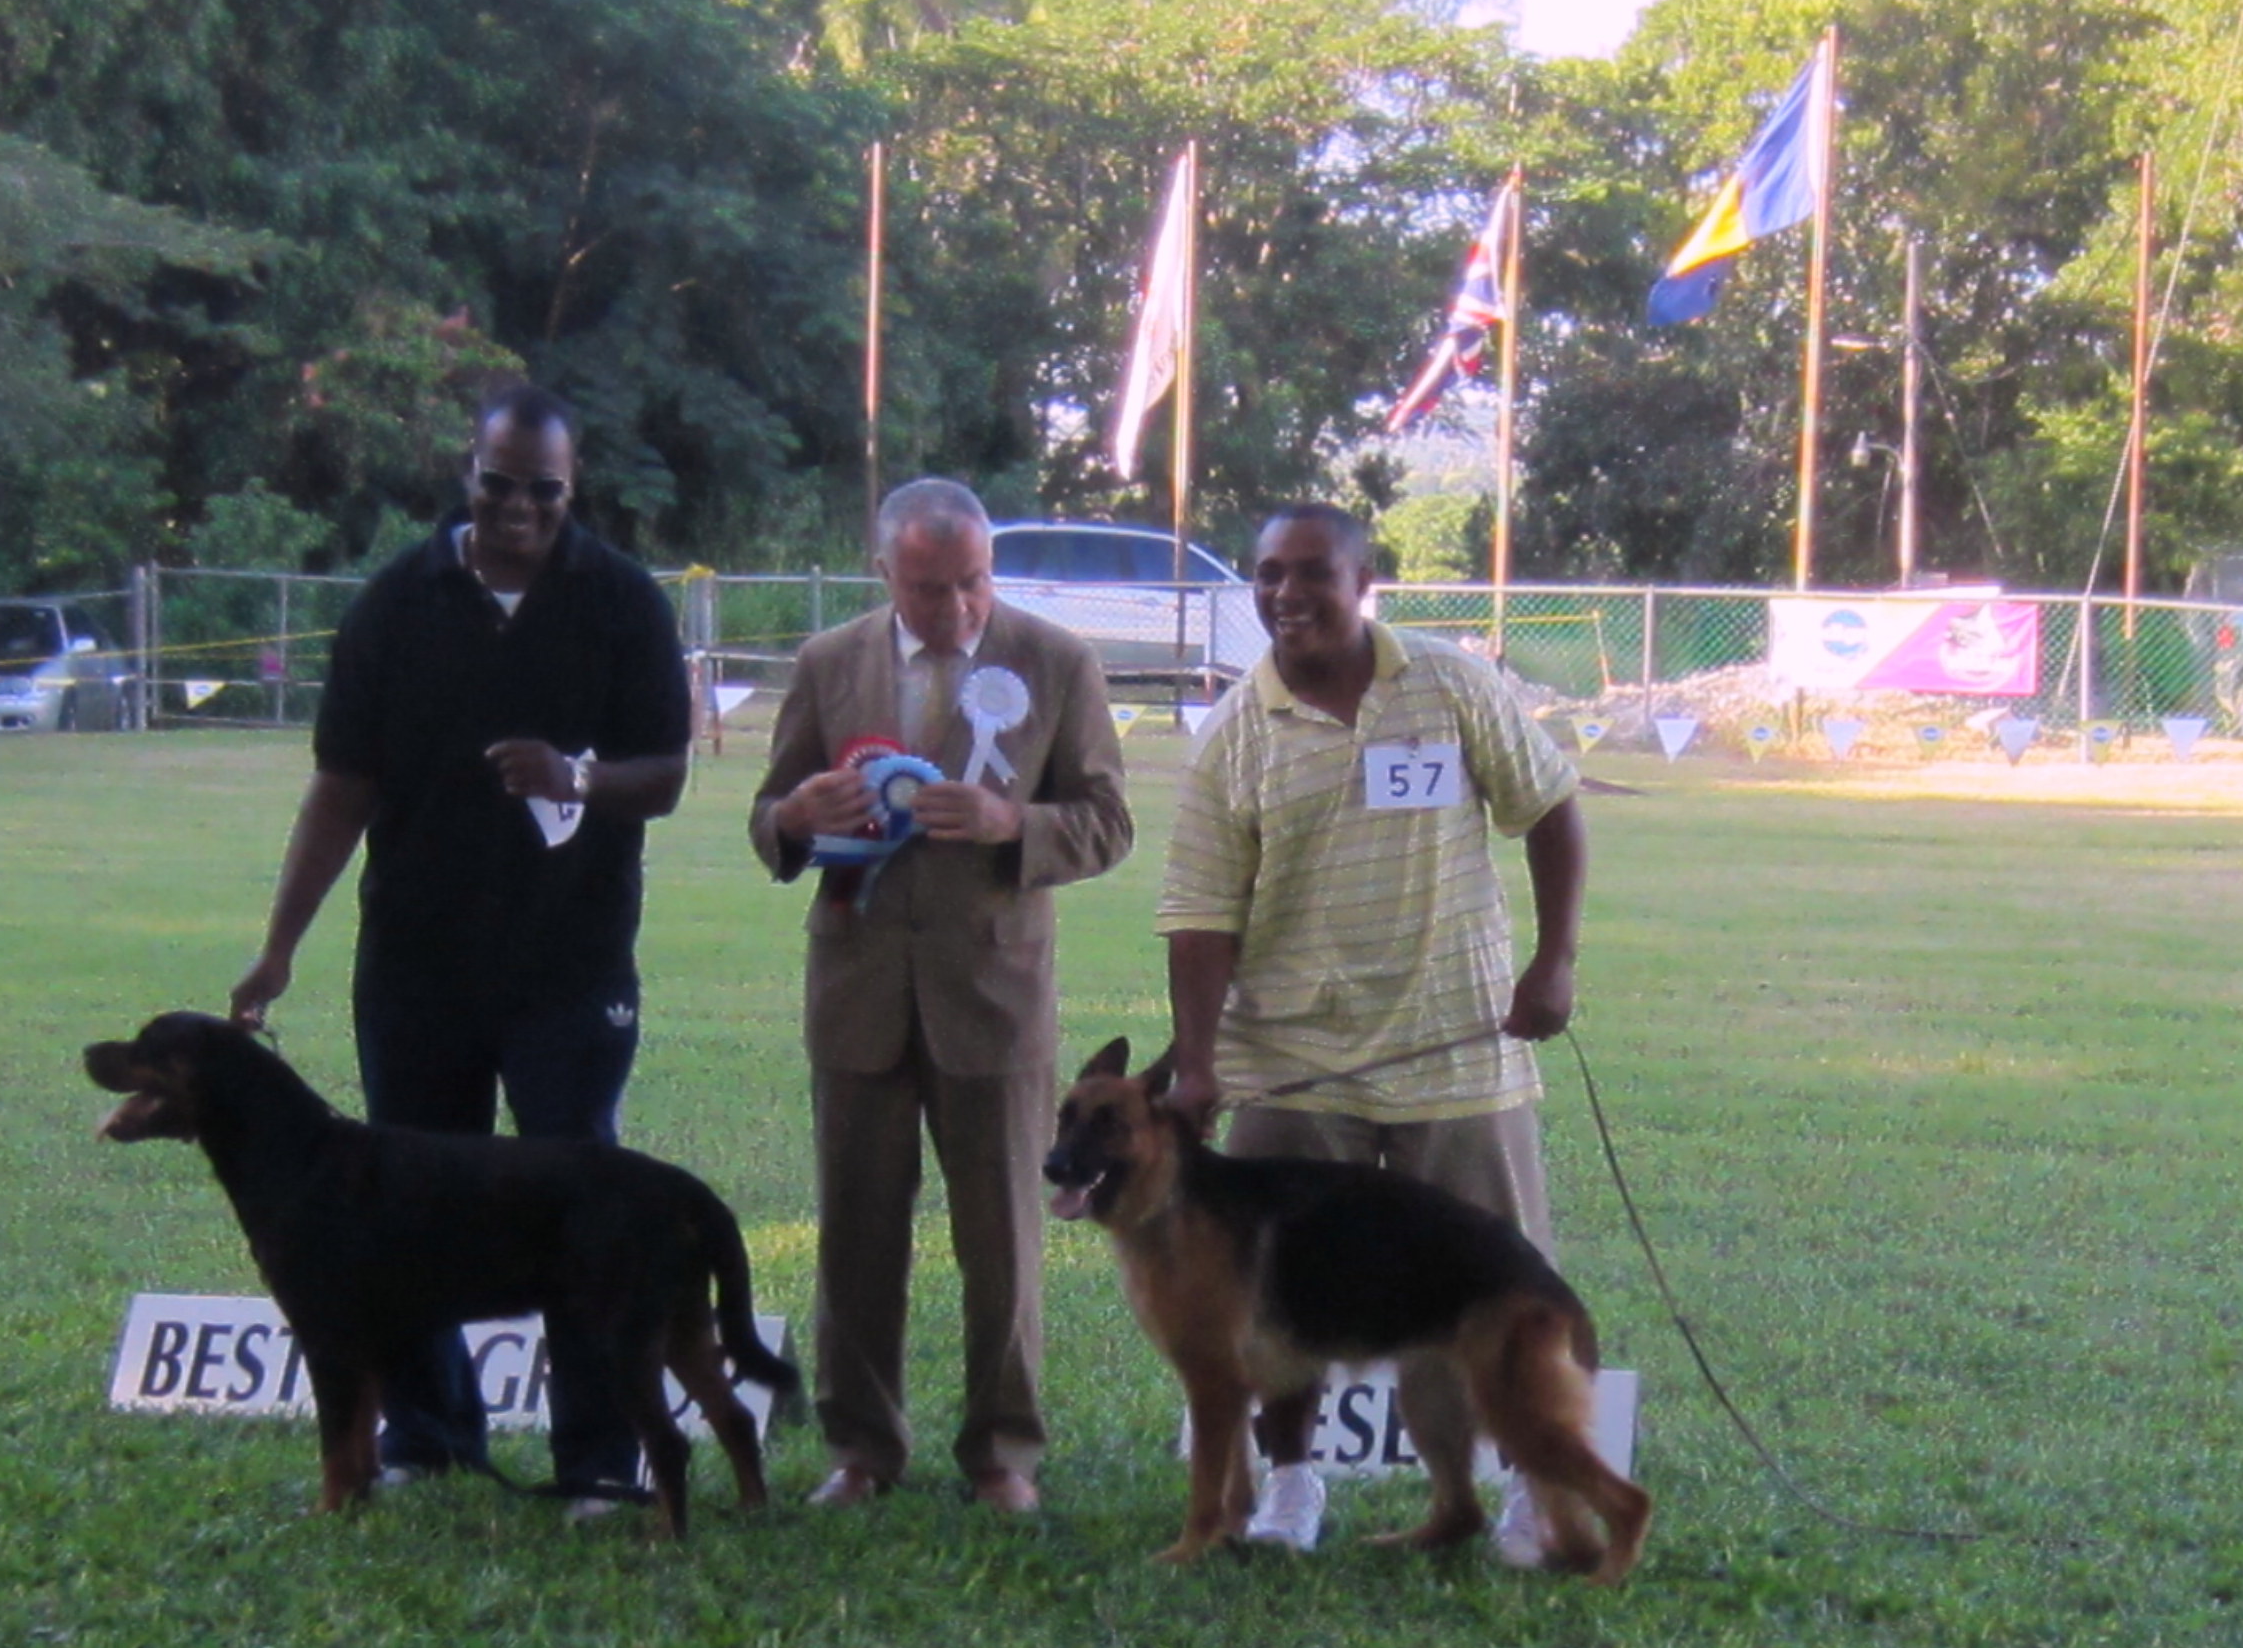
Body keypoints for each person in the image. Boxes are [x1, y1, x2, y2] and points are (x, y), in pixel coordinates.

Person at [229, 384, 692, 1511]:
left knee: (579, 1197)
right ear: (466, 473)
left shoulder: (621, 600)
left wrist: (578, 774)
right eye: (500, 481)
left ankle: (597, 1458)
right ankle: (427, 1431)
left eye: (545, 488)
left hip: (569, 965)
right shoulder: (397, 601)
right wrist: (279, 945)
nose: (520, 506)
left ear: (570, 490)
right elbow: (341, 788)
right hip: (416, 962)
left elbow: (666, 776)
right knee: (405, 1195)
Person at [1156, 500, 1586, 1560]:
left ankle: (1520, 1493)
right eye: (1265, 573)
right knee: (1276, 1306)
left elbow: (1552, 809)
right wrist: (1200, 1060)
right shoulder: (1235, 732)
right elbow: (1200, 912)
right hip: (1289, 1070)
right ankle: (1291, 1490)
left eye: (1311, 571)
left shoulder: (1448, 683)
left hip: (1458, 1053)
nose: (1285, 592)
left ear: (1364, 580)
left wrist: (1554, 958)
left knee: (1498, 1293)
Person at [750, 477, 1132, 1512]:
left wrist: (1021, 828)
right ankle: (863, 1447)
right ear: (885, 572)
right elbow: (767, 818)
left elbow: (1108, 818)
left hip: (993, 996)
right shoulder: (829, 663)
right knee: (855, 1233)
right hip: (858, 989)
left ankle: (1003, 1451)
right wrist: (795, 810)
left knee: (1003, 1237)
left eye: (971, 582)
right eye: (928, 588)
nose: (955, 608)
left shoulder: (1056, 660)